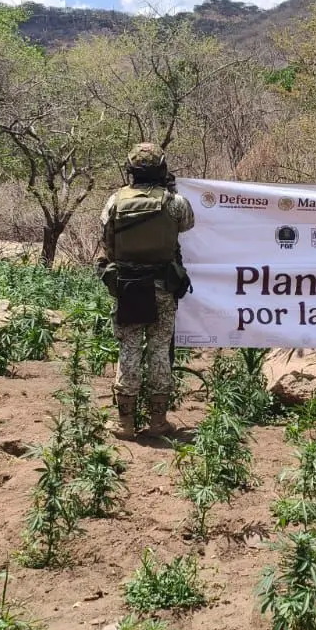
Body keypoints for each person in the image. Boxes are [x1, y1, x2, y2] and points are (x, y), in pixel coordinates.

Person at [98, 143, 194, 437]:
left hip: (128, 286)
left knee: (129, 350)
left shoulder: (115, 200)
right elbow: (188, 224)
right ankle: (158, 422)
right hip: (162, 286)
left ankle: (125, 423)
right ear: (162, 169)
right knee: (159, 351)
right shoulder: (174, 202)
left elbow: (107, 240)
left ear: (131, 171)